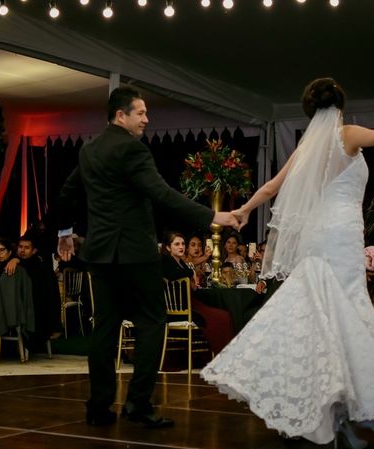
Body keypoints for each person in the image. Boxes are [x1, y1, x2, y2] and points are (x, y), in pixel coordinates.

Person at [202, 77, 374, 449]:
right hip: (340, 238)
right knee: (344, 321)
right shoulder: (345, 134)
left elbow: (272, 188)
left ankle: (316, 412)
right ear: (341, 106)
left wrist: (243, 210)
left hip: (320, 239)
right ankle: (338, 418)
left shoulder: (306, 149)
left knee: (317, 320)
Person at [57, 86, 240, 429]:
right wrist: (212, 217)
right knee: (153, 323)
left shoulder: (90, 149)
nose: (146, 119)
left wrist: (64, 233)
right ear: (120, 115)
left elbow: (69, 191)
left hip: (100, 252)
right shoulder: (132, 148)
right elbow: (162, 194)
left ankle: (98, 407)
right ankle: (138, 405)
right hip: (135, 253)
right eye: (140, 112)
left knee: (105, 327)